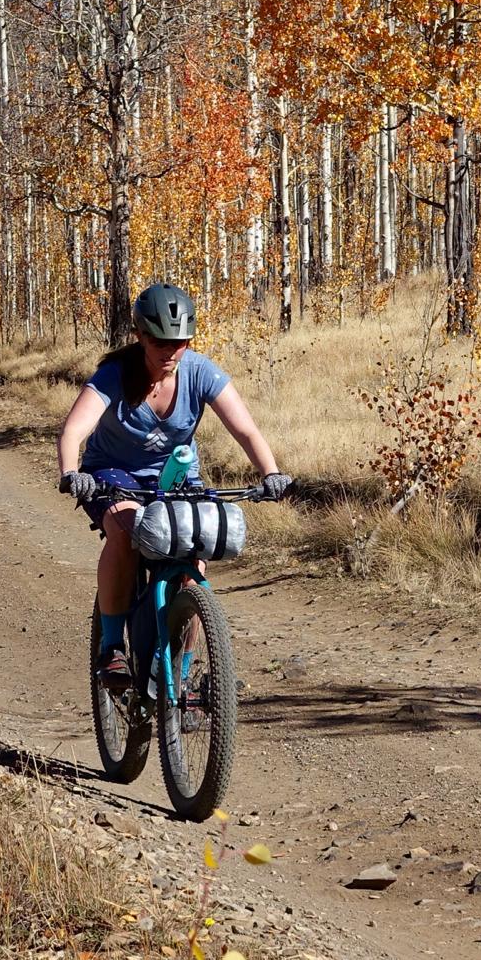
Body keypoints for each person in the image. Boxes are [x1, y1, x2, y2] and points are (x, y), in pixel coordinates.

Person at [55, 282, 291, 690]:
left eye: (180, 342)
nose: (170, 351)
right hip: (113, 473)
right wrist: (71, 473)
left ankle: (178, 674)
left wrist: (271, 473)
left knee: (195, 550)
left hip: (176, 475)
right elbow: (73, 431)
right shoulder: (115, 375)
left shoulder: (201, 372)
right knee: (126, 532)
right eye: (160, 340)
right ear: (140, 335)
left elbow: (246, 430)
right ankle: (112, 648)